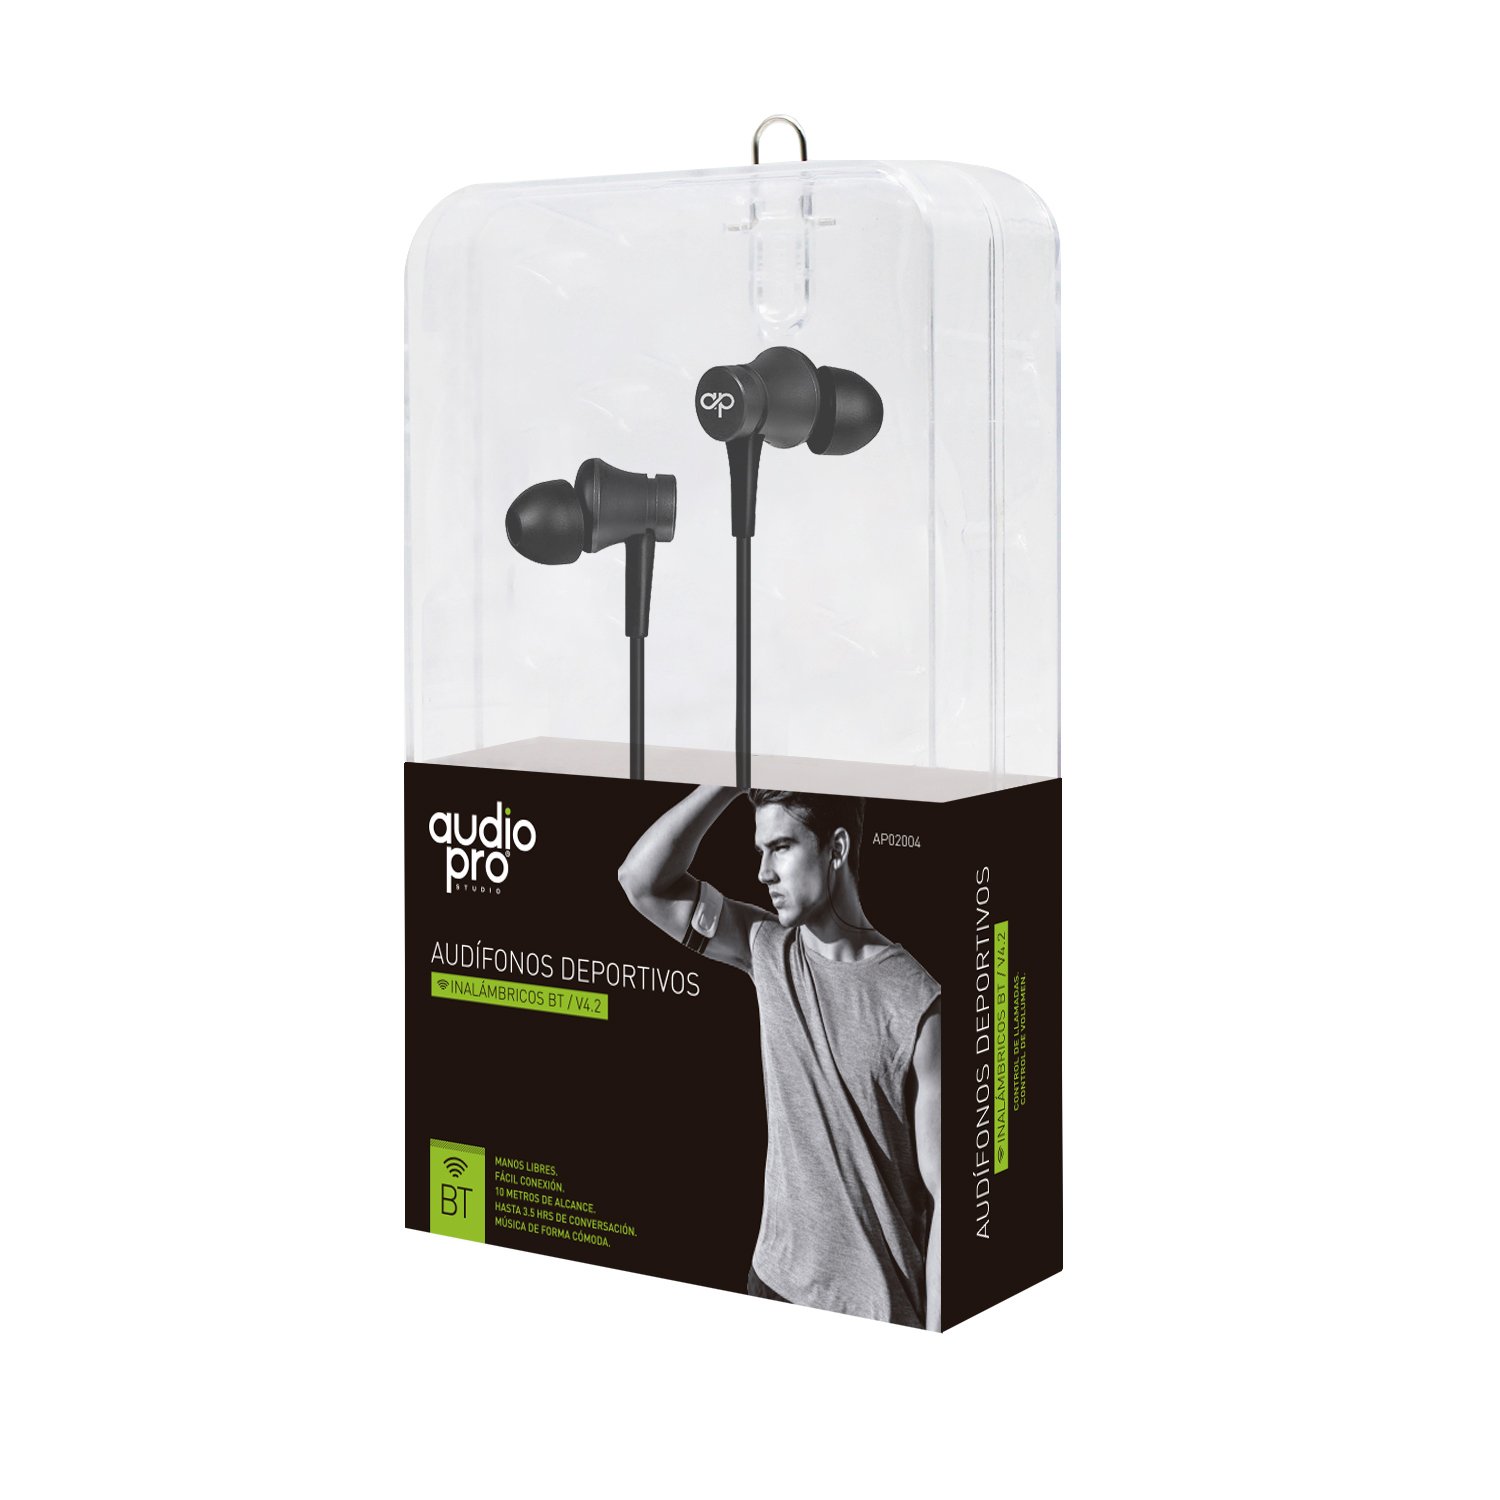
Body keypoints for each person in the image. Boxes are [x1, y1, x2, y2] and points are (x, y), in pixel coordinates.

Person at [618, 785, 942, 1329]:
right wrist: (728, 774)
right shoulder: (766, 948)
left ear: (836, 848)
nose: (764, 872)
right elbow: (640, 881)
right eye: (760, 851)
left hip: (875, 1314)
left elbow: (948, 1199)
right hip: (772, 1284)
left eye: (782, 847)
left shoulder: (917, 1003)